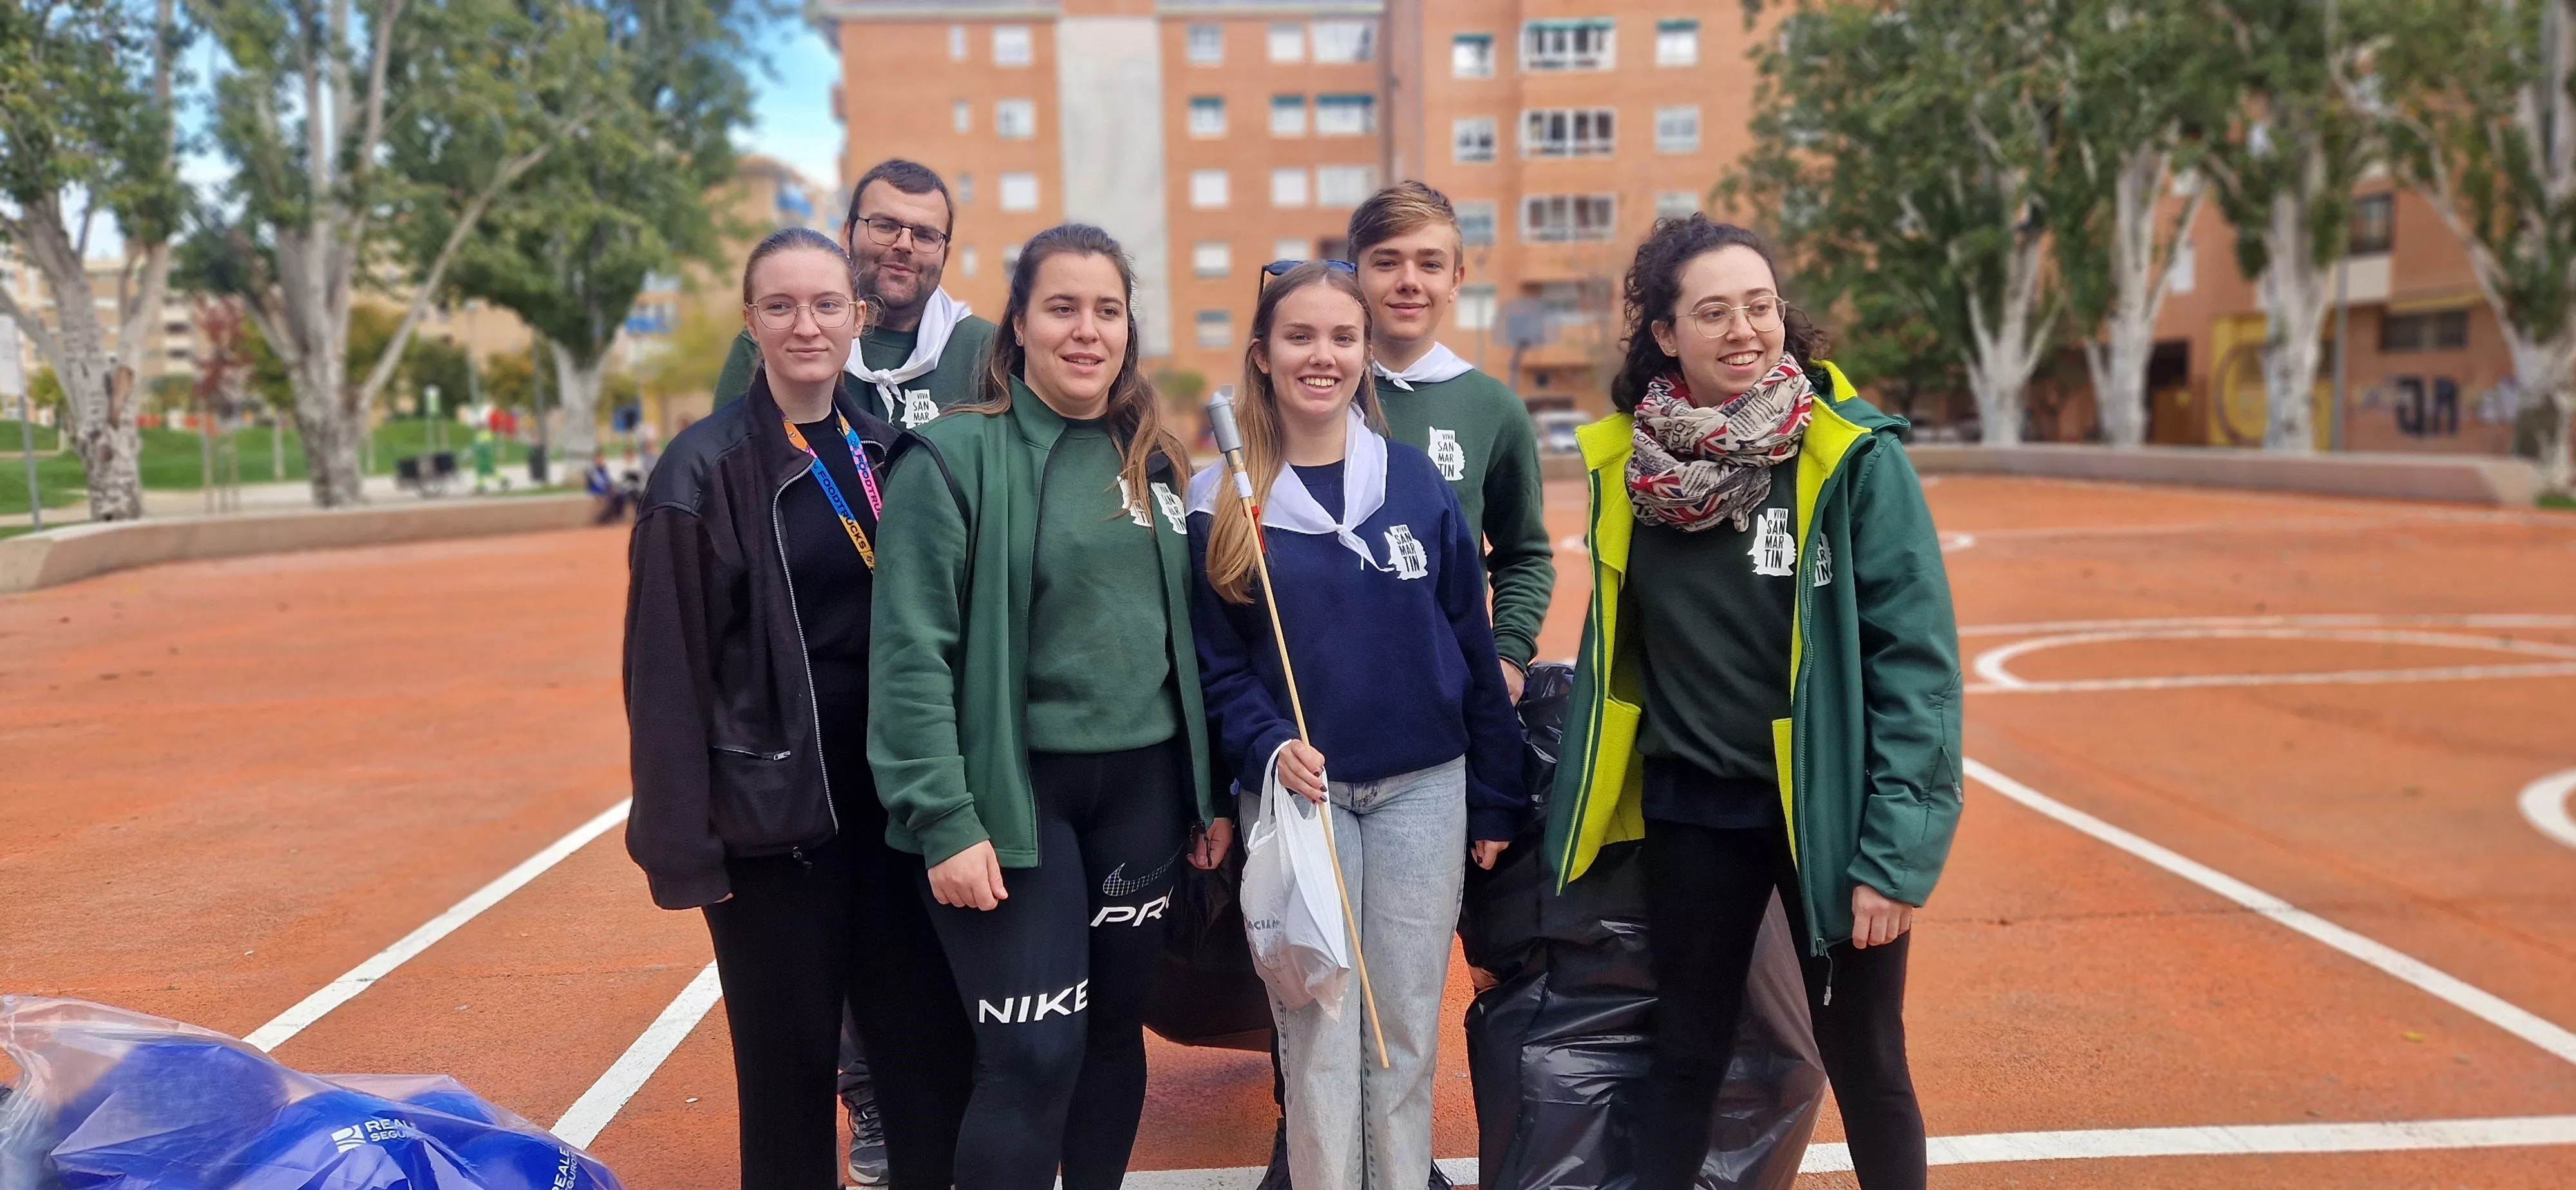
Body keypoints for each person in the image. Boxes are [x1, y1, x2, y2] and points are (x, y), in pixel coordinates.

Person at [1540, 216, 1962, 1190]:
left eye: (1761, 306)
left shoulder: (1851, 456)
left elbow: (1917, 670)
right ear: (1666, 334)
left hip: (1829, 814)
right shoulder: (1629, 469)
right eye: (1714, 312)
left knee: (1865, 1057)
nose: (1745, 330)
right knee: (1684, 1051)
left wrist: (1893, 860)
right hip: (1695, 807)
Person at [868, 223, 1226, 1190]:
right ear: (1017, 326)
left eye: (1106, 310)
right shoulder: (948, 457)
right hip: (1013, 802)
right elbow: (909, 660)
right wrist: (943, 819)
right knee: (1032, 1059)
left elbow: (1180, 643)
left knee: (1112, 1038)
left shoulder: (1151, 460)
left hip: (1142, 797)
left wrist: (1207, 793)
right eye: (1062, 308)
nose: (1086, 331)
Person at [623, 227, 974, 1190]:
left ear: (858, 317)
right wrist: (685, 846)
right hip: (773, 830)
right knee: (786, 1078)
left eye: (826, 305)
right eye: (780, 307)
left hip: (895, 815)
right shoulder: (698, 475)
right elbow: (664, 674)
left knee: (927, 1061)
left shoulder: (890, 448)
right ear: (752, 324)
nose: (805, 324)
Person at [1187, 261, 1524, 1190]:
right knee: (1322, 1023)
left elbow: (1467, 637)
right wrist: (1265, 742)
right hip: (1305, 796)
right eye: (1299, 337)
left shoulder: (1412, 481)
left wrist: (1495, 796)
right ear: (1262, 357)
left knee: (1405, 1023)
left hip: (1427, 786)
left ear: (1367, 354)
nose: (1322, 355)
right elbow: (1216, 665)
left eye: (1343, 337)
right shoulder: (1223, 500)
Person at [1344, 182, 1553, 703]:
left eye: (1430, 265)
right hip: (1321, 695)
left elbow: (1523, 552)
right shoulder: (1311, 396)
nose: (1409, 282)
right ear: (1354, 275)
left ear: (1456, 280)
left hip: (1446, 695)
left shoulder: (1493, 409)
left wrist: (1507, 656)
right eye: (1386, 262)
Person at [717, 159, 999, 430]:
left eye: (925, 235)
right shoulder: (774, 343)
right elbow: (723, 461)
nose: (904, 245)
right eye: (885, 226)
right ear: (847, 234)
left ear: (945, 254)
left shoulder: (989, 351)